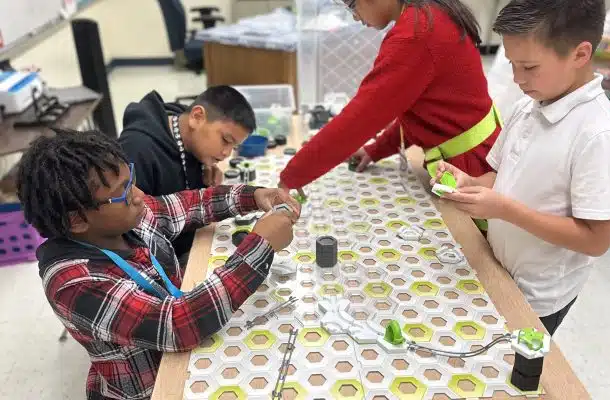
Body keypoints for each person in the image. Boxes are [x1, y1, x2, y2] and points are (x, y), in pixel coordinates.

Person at [17, 128, 299, 400]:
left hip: (187, 353)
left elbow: (189, 205)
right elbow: (178, 325)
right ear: (77, 220)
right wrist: (260, 246)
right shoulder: (75, 283)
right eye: (123, 193)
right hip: (150, 388)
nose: (139, 195)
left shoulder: (125, 219)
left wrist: (252, 196)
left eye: (131, 180)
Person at [437, 0, 610, 335]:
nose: (517, 78)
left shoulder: (598, 134)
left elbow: (596, 240)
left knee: (514, 363)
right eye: (512, 64)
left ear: (580, 54)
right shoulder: (527, 106)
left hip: (539, 296)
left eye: (529, 67)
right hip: (497, 266)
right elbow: (500, 176)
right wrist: (469, 183)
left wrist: (506, 210)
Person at [278, 0, 502, 192]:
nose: (355, 17)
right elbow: (420, 109)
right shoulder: (428, 14)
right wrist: (376, 149)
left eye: (352, 5)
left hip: (471, 169)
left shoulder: (416, 33)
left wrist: (290, 179)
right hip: (474, 154)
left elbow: (361, 119)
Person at [119, 86, 255, 260]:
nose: (227, 153)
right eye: (225, 140)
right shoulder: (138, 150)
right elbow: (131, 232)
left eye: (234, 147)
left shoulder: (189, 133)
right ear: (197, 117)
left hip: (194, 236)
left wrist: (203, 166)